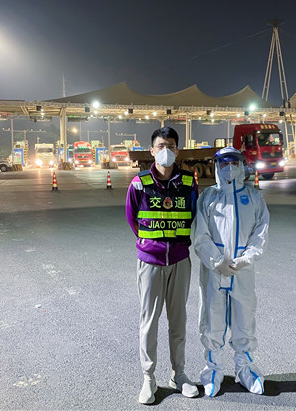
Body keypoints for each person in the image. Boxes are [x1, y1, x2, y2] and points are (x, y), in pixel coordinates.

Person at [125, 127, 199, 404]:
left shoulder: (189, 183)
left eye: (170, 146)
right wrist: (151, 244)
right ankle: (148, 378)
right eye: (160, 146)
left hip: (179, 260)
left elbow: (193, 215)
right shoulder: (140, 183)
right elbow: (133, 218)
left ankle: (179, 374)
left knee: (178, 320)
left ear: (177, 150)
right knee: (149, 322)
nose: (165, 150)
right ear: (151, 150)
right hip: (151, 262)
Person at [192, 146, 270, 397]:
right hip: (214, 271)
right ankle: (212, 369)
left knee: (244, 317)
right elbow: (200, 235)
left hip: (242, 272)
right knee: (211, 318)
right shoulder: (208, 197)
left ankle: (245, 368)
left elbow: (260, 232)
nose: (228, 168)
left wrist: (247, 258)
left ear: (241, 166)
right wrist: (216, 262)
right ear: (217, 166)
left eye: (233, 163)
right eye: (223, 163)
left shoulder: (253, 197)